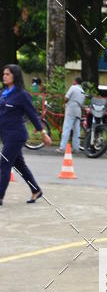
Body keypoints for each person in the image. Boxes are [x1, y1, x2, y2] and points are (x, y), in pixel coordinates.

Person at [0, 64, 51, 206]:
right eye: (4, 74)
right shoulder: (3, 93)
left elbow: (33, 115)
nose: (4, 76)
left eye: (7, 74)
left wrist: (43, 133)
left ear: (15, 76)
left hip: (16, 135)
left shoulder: (22, 95)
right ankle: (36, 190)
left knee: (4, 163)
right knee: (19, 165)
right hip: (6, 134)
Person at [58, 75, 86, 154]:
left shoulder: (73, 87)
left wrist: (64, 103)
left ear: (75, 81)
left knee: (67, 128)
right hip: (78, 111)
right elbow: (82, 103)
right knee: (77, 130)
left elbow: (66, 98)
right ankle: (76, 148)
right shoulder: (82, 91)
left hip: (71, 109)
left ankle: (62, 148)